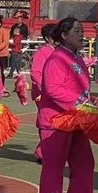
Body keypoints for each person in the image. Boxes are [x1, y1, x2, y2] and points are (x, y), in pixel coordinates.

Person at [37, 17, 95, 193]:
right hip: (56, 121)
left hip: (75, 119)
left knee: (85, 164)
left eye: (82, 31)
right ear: (63, 35)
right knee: (54, 170)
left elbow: (77, 88)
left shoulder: (76, 58)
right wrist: (80, 102)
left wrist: (91, 101)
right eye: (77, 31)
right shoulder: (57, 59)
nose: (82, 35)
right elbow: (53, 89)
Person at [30, 23, 57, 163]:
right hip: (43, 93)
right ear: (48, 38)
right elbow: (35, 73)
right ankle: (43, 152)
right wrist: (46, 88)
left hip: (54, 92)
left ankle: (45, 150)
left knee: (54, 122)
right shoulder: (42, 52)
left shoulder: (56, 51)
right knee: (47, 122)